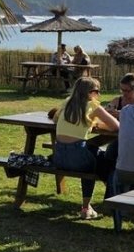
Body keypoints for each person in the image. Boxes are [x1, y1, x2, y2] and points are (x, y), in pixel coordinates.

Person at [51, 77, 120, 220]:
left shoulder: (67, 103)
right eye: (96, 91)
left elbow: (55, 119)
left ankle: (90, 206)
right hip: (78, 160)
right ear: (89, 93)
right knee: (99, 162)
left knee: (93, 154)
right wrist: (96, 124)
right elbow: (115, 126)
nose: (98, 95)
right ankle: (86, 207)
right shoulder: (93, 106)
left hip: (58, 158)